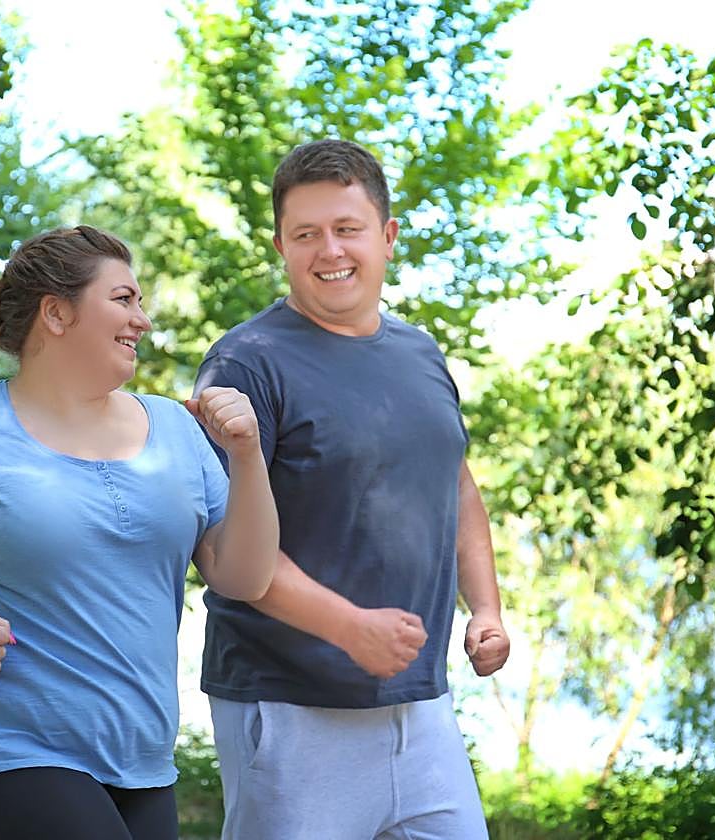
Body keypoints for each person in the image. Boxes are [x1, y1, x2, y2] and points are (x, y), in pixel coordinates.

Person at [0, 225, 278, 840]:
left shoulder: (178, 431)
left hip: (142, 761)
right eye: (123, 300)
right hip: (0, 751)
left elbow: (246, 576)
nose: (143, 320)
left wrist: (248, 454)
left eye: (141, 302)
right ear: (57, 313)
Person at [194, 139, 511, 840]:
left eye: (347, 228)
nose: (328, 250)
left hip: (421, 709)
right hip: (290, 710)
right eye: (306, 234)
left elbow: (455, 489)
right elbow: (224, 548)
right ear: (280, 245)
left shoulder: (420, 354)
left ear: (388, 237)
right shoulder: (245, 363)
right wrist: (348, 627)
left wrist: (484, 609)